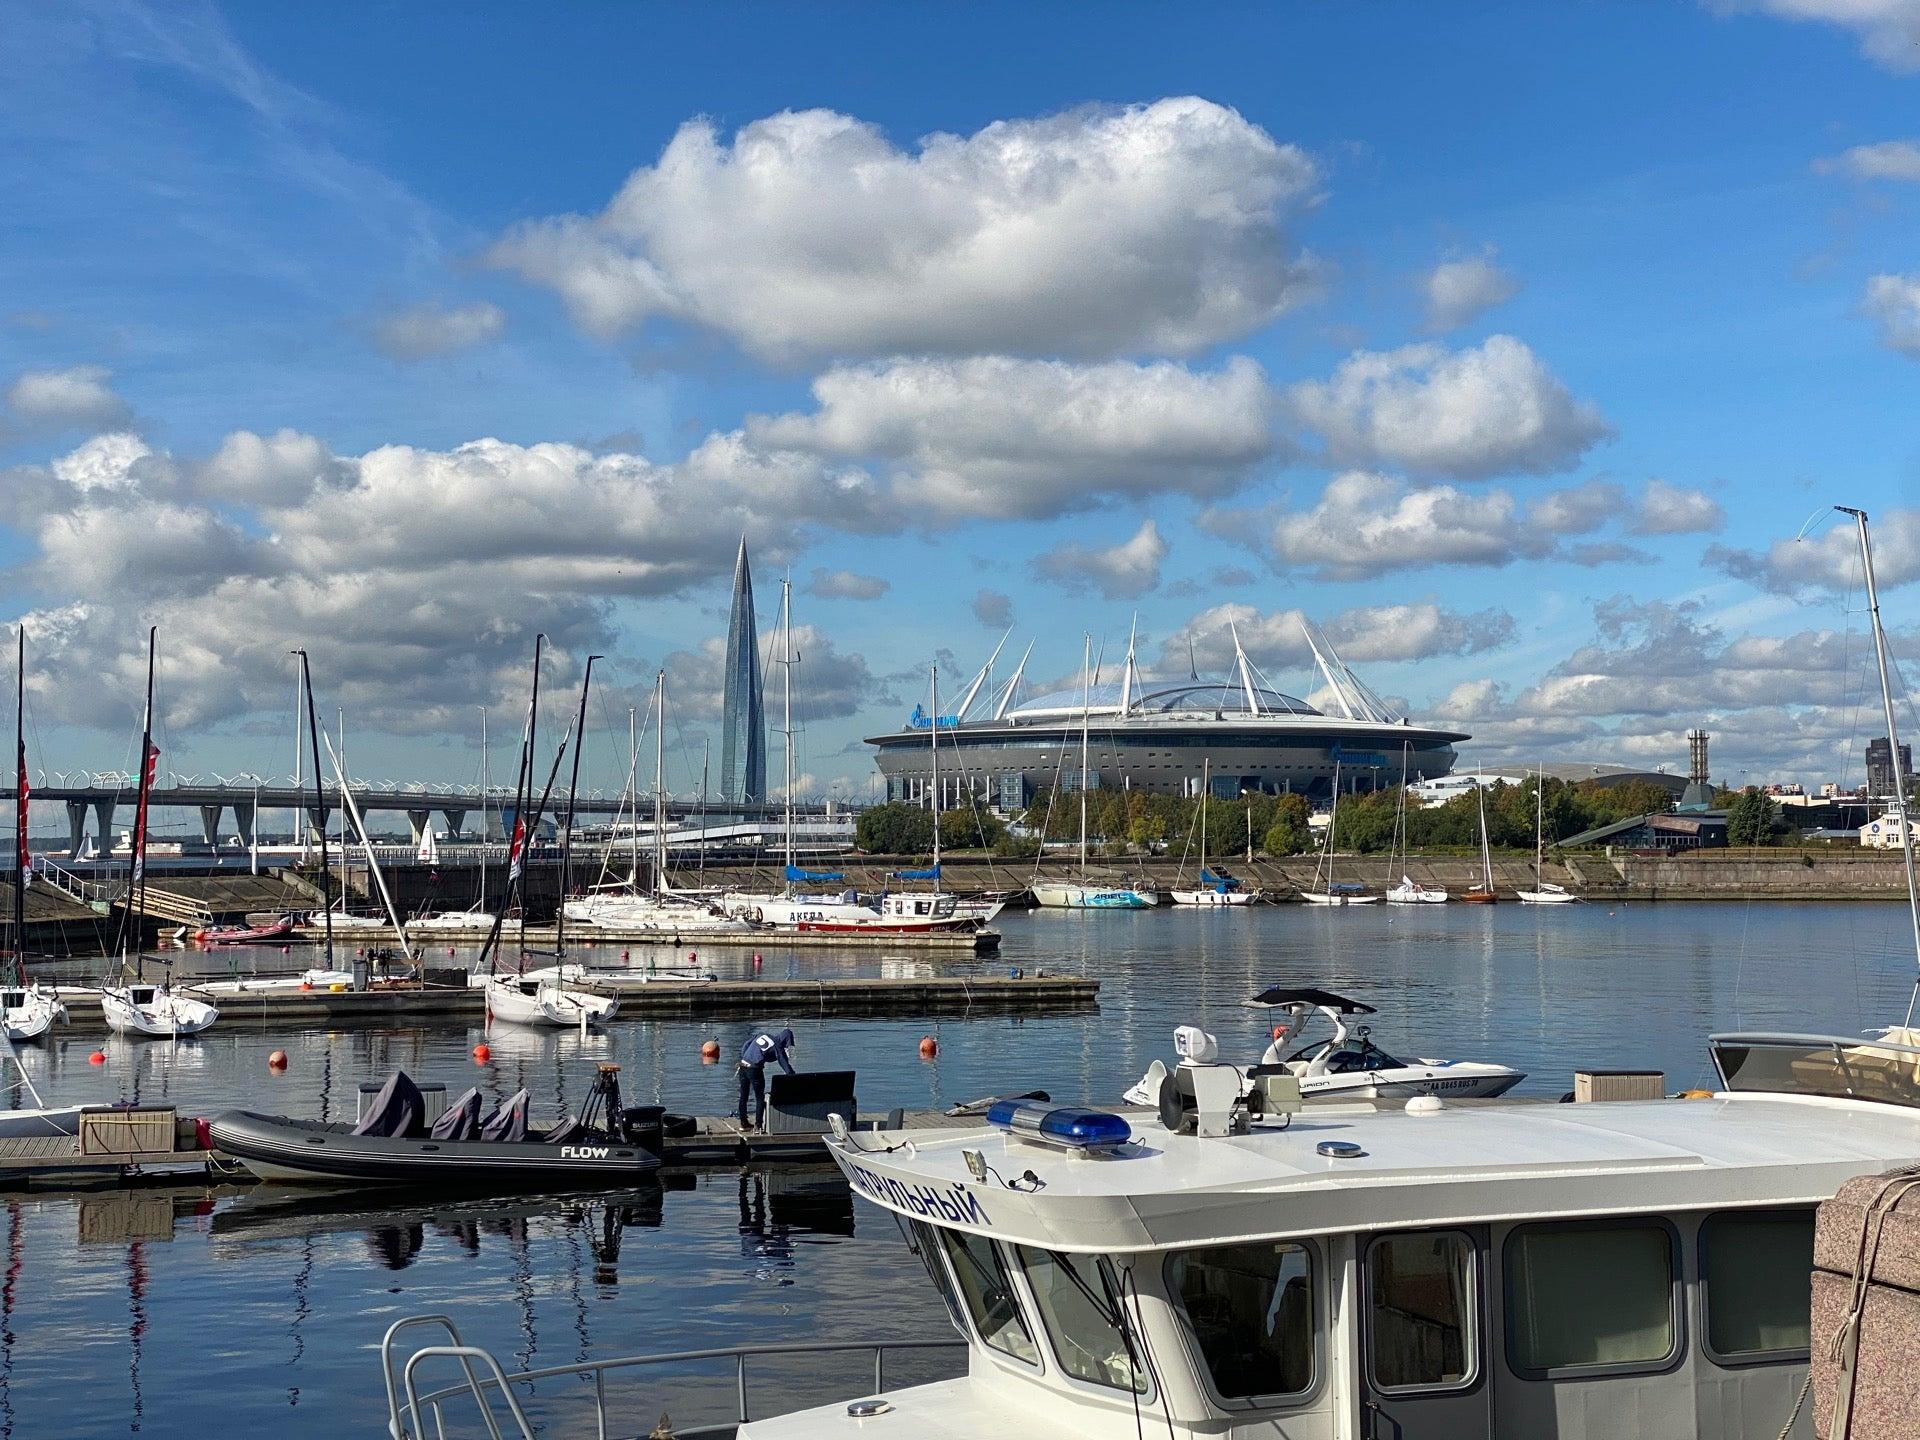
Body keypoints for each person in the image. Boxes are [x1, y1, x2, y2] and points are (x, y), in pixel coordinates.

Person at [737, 1026, 796, 1130]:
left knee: (743, 1096)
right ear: (786, 1040)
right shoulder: (777, 1045)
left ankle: (743, 1123)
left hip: (742, 1065)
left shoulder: (762, 1034)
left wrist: (744, 1057)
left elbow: (746, 1044)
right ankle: (758, 1125)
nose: (786, 1047)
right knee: (760, 1097)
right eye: (787, 1044)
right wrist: (792, 1076)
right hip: (754, 1069)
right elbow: (784, 1063)